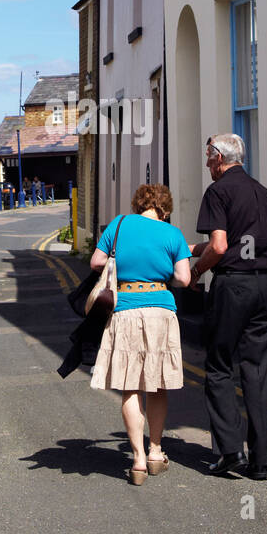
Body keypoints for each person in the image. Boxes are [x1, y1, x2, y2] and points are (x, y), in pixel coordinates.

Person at [189, 133, 267, 479]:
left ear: (218, 157)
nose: (207, 164)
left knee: (220, 367)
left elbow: (221, 245)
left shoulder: (218, 191)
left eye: (208, 158)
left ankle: (230, 452)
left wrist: (197, 270)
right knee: (256, 372)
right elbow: (242, 241)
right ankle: (260, 463)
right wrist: (194, 249)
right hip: (265, 286)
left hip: (233, 288)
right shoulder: (261, 191)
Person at [90, 184, 192, 484]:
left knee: (130, 385)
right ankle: (156, 452)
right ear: (165, 208)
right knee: (157, 384)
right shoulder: (172, 234)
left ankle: (136, 460)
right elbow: (184, 279)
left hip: (125, 311)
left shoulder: (119, 225)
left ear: (138, 205)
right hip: (161, 310)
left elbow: (96, 262)